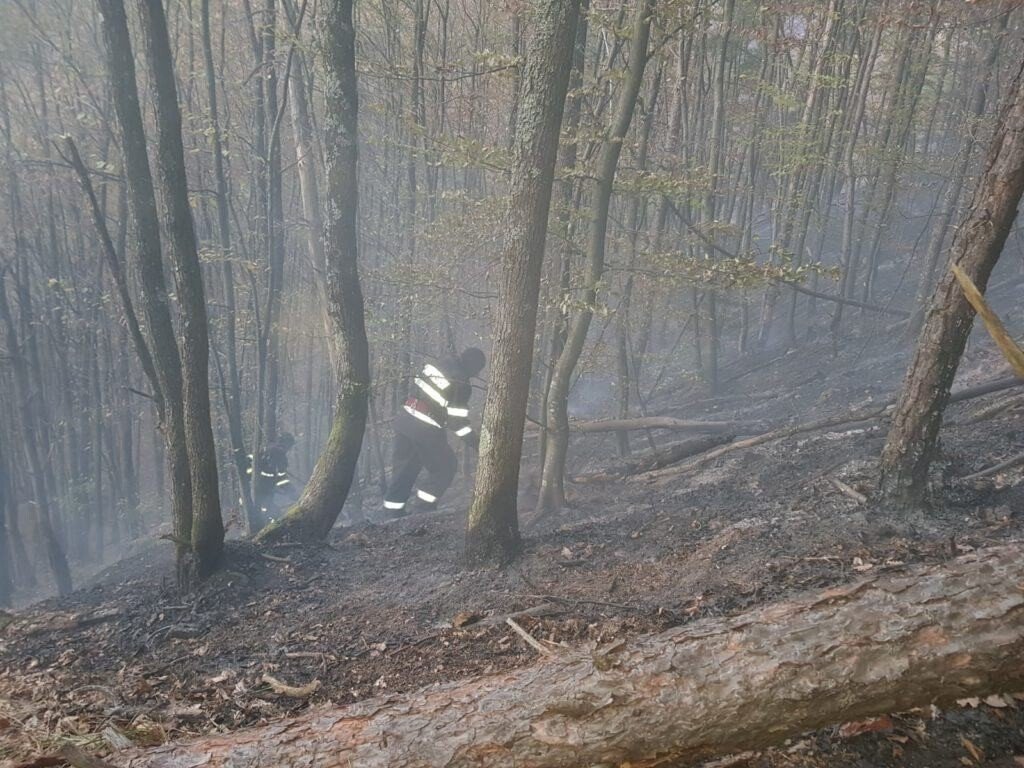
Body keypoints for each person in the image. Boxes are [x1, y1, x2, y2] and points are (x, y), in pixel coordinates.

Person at [382, 347, 485, 518]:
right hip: (425, 427)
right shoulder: (460, 382)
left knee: (404, 470)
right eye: (477, 370)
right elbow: (457, 423)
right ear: (472, 365)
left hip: (404, 420)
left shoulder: (441, 362)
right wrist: (477, 444)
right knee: (446, 466)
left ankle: (392, 514)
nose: (476, 374)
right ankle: (423, 509)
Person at [245, 431, 295, 527]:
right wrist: (293, 493)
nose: (289, 449)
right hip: (263, 489)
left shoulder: (267, 448)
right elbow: (282, 479)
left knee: (263, 511)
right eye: (290, 446)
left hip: (255, 488)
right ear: (286, 443)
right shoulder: (279, 454)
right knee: (271, 513)